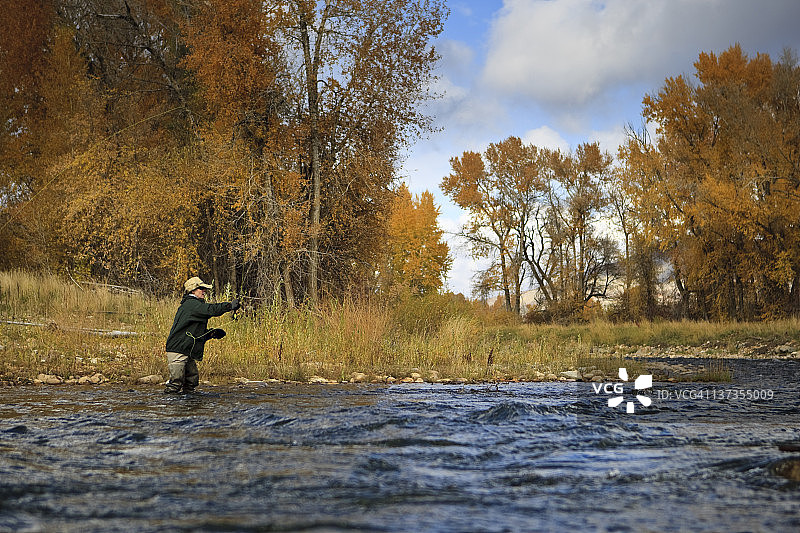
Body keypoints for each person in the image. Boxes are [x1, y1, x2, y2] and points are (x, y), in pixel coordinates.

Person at [164, 276, 240, 394]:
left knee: (191, 382)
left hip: (186, 349)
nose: (204, 291)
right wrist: (229, 306)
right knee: (175, 384)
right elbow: (210, 310)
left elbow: (195, 335)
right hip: (178, 350)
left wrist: (212, 334)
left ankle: (189, 408)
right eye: (201, 289)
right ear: (193, 290)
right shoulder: (191, 304)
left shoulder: (194, 305)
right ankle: (169, 409)